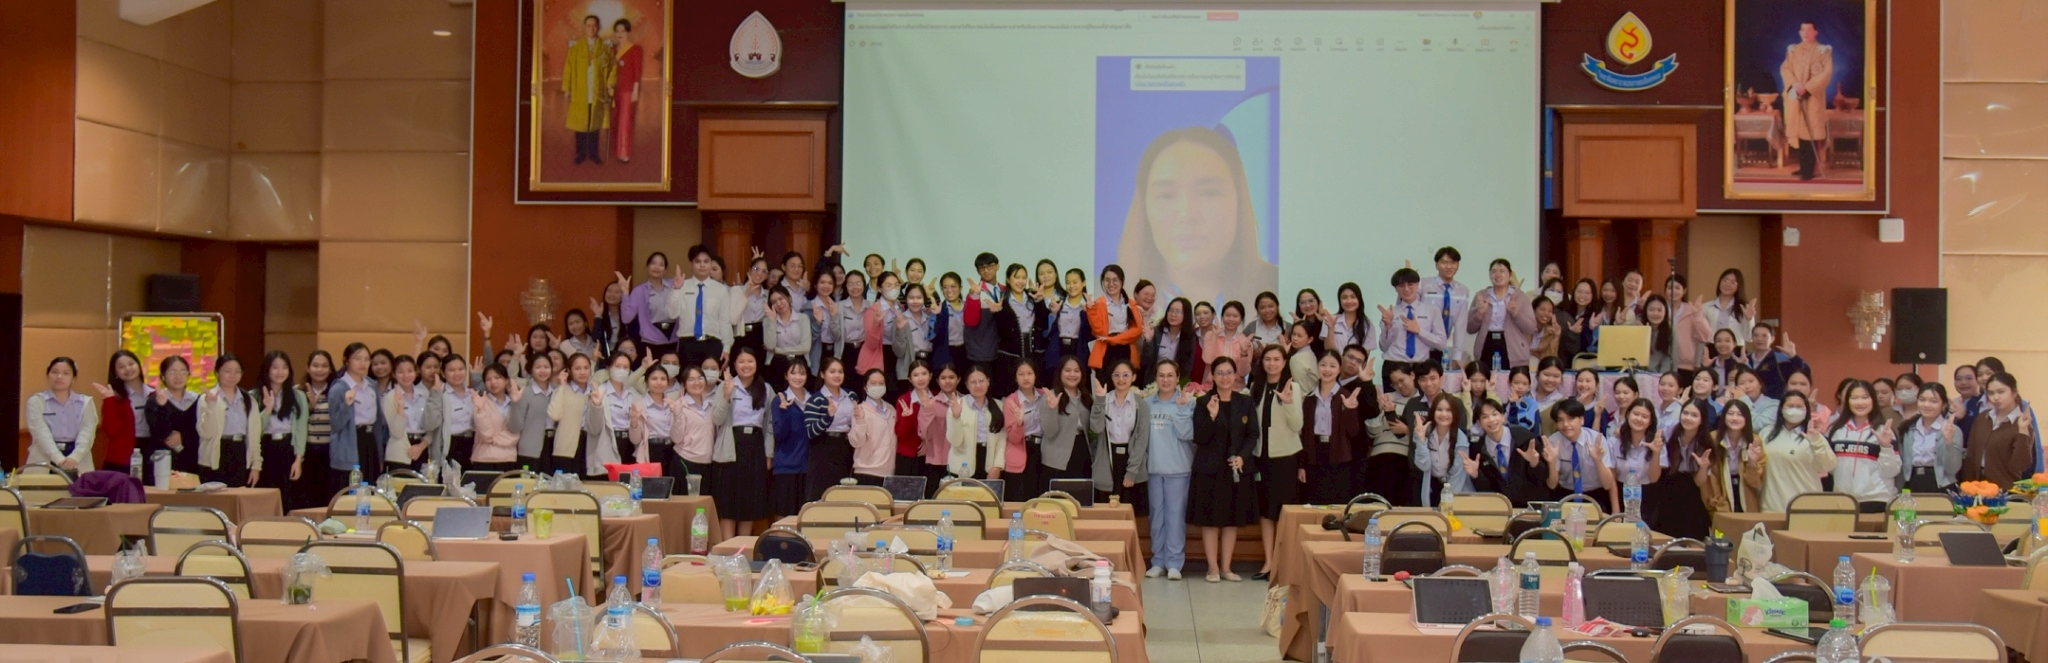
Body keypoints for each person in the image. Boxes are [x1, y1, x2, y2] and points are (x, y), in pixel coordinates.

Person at [1114, 126, 1277, 305]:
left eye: (1209, 193)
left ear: (1239, 203)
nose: (1187, 214)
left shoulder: (1281, 285)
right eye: (1166, 195)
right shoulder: (1108, 299)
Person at [1191, 356, 1260, 582]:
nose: (1225, 377)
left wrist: (1242, 457)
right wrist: (1211, 416)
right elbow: (1199, 437)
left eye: (1228, 372)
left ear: (1235, 374)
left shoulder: (1245, 402)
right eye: (1219, 373)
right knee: (1210, 520)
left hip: (1235, 468)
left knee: (1232, 519)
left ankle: (1226, 567)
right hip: (1209, 468)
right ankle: (1212, 568)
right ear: (1212, 376)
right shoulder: (1203, 402)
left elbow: (1253, 434)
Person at [1248, 344, 1303, 579]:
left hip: (1285, 457)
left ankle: (1284, 563)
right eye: (1267, 359)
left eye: (1276, 359)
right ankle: (1269, 563)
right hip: (1261, 457)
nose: (1271, 364)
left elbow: (1297, 425)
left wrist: (1288, 403)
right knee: (1265, 512)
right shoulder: (1256, 386)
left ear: (1284, 362)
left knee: (1283, 512)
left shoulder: (1293, 387)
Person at [712, 346, 773, 535]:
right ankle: (727, 546)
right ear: (734, 365)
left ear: (757, 363)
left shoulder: (766, 388)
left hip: (755, 446)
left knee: (749, 501)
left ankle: (742, 546)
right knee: (728, 501)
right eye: (741, 361)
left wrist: (769, 453)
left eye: (750, 361)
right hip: (731, 445)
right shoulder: (725, 386)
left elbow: (770, 425)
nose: (746, 365)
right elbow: (717, 419)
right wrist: (726, 396)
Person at [1145, 360, 1197, 580]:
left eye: (1170, 375)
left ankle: (1174, 563)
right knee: (1156, 517)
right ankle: (1158, 561)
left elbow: (1188, 435)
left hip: (1179, 469)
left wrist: (1183, 410)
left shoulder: (1187, 403)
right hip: (1154, 469)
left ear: (1177, 378)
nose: (1165, 380)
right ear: (1156, 378)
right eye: (1161, 375)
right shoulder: (1147, 403)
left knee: (1175, 518)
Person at [1301, 353, 1371, 505]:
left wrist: (1350, 410)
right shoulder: (1309, 399)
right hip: (1314, 455)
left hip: (1339, 455)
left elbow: (1353, 432)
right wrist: (1302, 465)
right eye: (1323, 365)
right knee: (1314, 503)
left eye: (1332, 366)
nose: (1327, 370)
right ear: (1317, 367)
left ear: (1339, 369)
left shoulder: (1346, 396)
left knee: (1336, 503)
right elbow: (1304, 435)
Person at [1747, 392, 1834, 512]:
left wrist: (1816, 442)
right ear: (1781, 409)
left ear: (1806, 410)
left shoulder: (1814, 436)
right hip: (1771, 507)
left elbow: (1829, 465)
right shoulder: (1766, 433)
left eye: (1799, 407)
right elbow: (1758, 469)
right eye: (1790, 406)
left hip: (1806, 508)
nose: (1794, 410)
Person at [1826, 380, 1901, 510]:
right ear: (1847, 401)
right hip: (1843, 500)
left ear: (1873, 400)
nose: (1860, 402)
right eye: (1854, 398)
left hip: (1877, 499)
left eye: (1865, 397)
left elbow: (1891, 472)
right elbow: (1829, 467)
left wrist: (1886, 447)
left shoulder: (1883, 431)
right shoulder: (1835, 430)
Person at [666, 246, 741, 370]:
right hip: (688, 343)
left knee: (711, 379)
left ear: (711, 264)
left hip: (712, 343)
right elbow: (672, 314)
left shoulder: (721, 289)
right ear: (691, 264)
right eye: (697, 261)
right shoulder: (682, 286)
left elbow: (724, 321)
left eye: (706, 261)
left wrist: (727, 348)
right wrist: (676, 289)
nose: (702, 265)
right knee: (688, 378)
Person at [1656, 398, 1721, 539]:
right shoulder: (1670, 431)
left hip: (1691, 493)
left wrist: (1703, 467)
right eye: (1685, 413)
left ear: (1702, 420)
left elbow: (1699, 482)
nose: (1688, 418)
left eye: (1694, 415)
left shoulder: (1706, 442)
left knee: (1692, 537)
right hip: (1666, 487)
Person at [1091, 360, 1150, 511]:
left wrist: (1132, 471)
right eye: (1116, 375)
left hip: (1131, 459)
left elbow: (1142, 440)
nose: (1121, 379)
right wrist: (1099, 400)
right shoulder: (1104, 400)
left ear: (1134, 377)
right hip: (1108, 459)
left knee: (1131, 511)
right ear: (1111, 377)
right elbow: (1096, 428)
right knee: (1106, 510)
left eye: (1126, 375)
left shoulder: (1140, 404)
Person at [1466, 399, 1549, 507]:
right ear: (1479, 422)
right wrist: (1476, 476)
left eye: (1494, 414)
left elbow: (1543, 478)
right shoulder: (1478, 450)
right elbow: (1487, 490)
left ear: (1502, 416)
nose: (1491, 420)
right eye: (1485, 417)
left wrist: (1535, 464)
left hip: (1531, 505)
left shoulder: (1524, 437)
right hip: (1500, 508)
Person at [1780, 20, 1834, 181]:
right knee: (1799, 132)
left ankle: (1809, 170)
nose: (1805, 33)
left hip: (1813, 97)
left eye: (1809, 30)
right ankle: (1803, 166)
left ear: (1816, 32)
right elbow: (1785, 69)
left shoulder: (1823, 51)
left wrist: (1807, 88)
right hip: (1796, 95)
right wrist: (1794, 84)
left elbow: (1826, 73)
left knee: (1810, 133)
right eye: (1803, 30)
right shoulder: (1793, 50)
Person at [1962, 373, 2035, 489]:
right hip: (1976, 486)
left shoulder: (2022, 423)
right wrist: (1966, 486)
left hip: (2005, 488)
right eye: (1991, 393)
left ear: (2014, 392)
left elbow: (2020, 465)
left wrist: (2022, 431)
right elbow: (1971, 455)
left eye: (2001, 392)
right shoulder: (1983, 417)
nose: (1995, 397)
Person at [327, 343, 386, 487]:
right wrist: (346, 406)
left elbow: (378, 421)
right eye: (357, 358)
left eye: (366, 359)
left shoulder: (371, 385)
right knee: (351, 490)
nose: (363, 363)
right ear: (346, 361)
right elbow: (335, 425)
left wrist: (380, 453)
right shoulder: (339, 388)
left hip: (370, 440)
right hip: (351, 442)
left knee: (370, 488)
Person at [250, 352, 308, 495]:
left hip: (288, 448)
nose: (280, 372)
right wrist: (267, 410)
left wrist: (298, 459)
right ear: (267, 369)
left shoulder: (298, 396)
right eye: (275, 367)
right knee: (264, 496)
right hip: (265, 448)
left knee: (288, 496)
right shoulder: (253, 396)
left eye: (284, 367)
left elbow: (301, 430)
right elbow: (253, 431)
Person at [562, 14, 615, 165]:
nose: (591, 28)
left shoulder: (605, 48)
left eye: (594, 25)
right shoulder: (576, 47)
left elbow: (613, 67)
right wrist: (567, 88)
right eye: (589, 25)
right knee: (581, 124)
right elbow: (568, 68)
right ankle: (580, 153)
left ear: (598, 27)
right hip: (580, 91)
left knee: (595, 124)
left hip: (598, 92)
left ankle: (593, 154)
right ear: (584, 27)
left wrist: (610, 84)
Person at [1467, 258, 1538, 371]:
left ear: (1510, 274)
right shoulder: (1481, 296)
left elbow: (1530, 328)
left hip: (1514, 348)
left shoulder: (1520, 296)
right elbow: (1469, 328)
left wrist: (1515, 313)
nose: (1498, 275)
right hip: (1487, 344)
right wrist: (1479, 314)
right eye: (1494, 271)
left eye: (1502, 271)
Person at [803, 357, 858, 500]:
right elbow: (810, 432)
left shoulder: (851, 396)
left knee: (844, 496)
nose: (837, 375)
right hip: (823, 449)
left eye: (840, 371)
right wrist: (828, 416)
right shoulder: (816, 399)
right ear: (822, 374)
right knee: (823, 495)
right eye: (832, 371)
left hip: (847, 448)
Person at [1379, 267, 1447, 384]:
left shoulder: (1432, 310)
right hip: (1393, 365)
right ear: (1396, 288)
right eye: (1401, 285)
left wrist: (1419, 331)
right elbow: (1383, 347)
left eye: (1410, 284)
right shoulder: (1390, 312)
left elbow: (1441, 344)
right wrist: (1388, 327)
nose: (1406, 289)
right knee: (1392, 397)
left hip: (1420, 367)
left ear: (1417, 285)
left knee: (1420, 396)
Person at [27, 357, 95, 472]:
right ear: (48, 375)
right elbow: (40, 433)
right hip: (44, 457)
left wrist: (75, 457)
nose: (59, 376)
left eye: (65, 373)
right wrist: (59, 459)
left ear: (73, 378)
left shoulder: (86, 402)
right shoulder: (36, 401)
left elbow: (87, 432)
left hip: (78, 459)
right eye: (54, 372)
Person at [1894, 381, 1962, 494]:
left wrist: (1948, 442)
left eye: (1933, 401)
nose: (1926, 405)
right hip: (1912, 481)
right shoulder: (1908, 429)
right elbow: (1902, 464)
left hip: (1940, 484)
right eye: (1922, 400)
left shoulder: (1952, 430)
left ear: (1944, 404)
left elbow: (1952, 469)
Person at [379, 355, 444, 473]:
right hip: (399, 452)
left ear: (416, 372)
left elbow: (431, 427)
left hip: (422, 449)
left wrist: (421, 446)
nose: (406, 375)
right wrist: (400, 407)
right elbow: (396, 432)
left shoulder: (425, 394)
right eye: (401, 372)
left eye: (410, 371)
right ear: (394, 374)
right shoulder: (390, 397)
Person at [999, 361, 1051, 501]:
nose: (1026, 378)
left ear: (1035, 375)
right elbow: (1013, 438)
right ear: (1015, 378)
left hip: (1044, 449)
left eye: (1029, 373)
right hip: (1022, 449)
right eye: (1021, 374)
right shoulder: (1011, 401)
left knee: (1042, 497)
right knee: (1021, 498)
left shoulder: (1045, 395)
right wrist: (1019, 423)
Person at [145, 356, 203, 481]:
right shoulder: (154, 400)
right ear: (163, 376)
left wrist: (184, 437)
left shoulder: (198, 400)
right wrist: (162, 406)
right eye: (172, 372)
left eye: (183, 371)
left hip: (191, 461)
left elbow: (201, 431)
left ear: (188, 375)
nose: (178, 376)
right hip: (162, 461)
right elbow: (157, 431)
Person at [1039, 356, 1094, 485]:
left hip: (1082, 452)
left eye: (1076, 371)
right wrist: (1052, 409)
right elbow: (1049, 432)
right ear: (1060, 373)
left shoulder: (1086, 396)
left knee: (1081, 495)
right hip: (1056, 457)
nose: (1072, 374)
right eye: (1067, 370)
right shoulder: (1050, 396)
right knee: (1058, 497)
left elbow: (1092, 429)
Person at [769, 360, 813, 517]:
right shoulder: (780, 399)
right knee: (783, 515)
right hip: (786, 465)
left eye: (802, 373)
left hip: (808, 466)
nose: (798, 377)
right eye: (793, 373)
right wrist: (784, 412)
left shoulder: (813, 400)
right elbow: (779, 434)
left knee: (806, 515)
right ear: (786, 376)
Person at [944, 365, 1005, 479]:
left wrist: (997, 466)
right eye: (973, 382)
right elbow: (955, 442)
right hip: (962, 467)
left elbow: (1002, 440)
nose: (978, 385)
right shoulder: (957, 405)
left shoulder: (999, 406)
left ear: (988, 381)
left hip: (989, 463)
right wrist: (956, 417)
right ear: (967, 385)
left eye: (981, 381)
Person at [1087, 265, 1145, 384]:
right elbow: (1098, 332)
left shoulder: (1130, 303)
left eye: (1115, 280)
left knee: (1127, 387)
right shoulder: (1099, 303)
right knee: (1105, 389)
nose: (1111, 284)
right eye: (1107, 280)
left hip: (1126, 350)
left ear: (1122, 282)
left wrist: (1115, 339)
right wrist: (1091, 311)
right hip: (1106, 351)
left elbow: (1137, 330)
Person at [1543, 399, 1607, 505]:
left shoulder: (1596, 440)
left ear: (1581, 420)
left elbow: (1608, 485)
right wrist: (1552, 462)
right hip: (1565, 493)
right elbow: (1552, 485)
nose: (1565, 424)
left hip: (1595, 494)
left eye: (1571, 419)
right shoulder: (1553, 441)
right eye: (1560, 420)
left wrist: (1598, 460)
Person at [94, 351, 149, 473]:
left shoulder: (154, 394)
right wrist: (109, 401)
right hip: (122, 457)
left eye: (131, 364)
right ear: (116, 373)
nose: (128, 368)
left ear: (138, 365)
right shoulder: (114, 398)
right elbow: (111, 430)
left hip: (151, 452)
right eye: (121, 367)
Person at [1418, 393, 1474, 506]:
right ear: (1433, 411)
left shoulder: (1461, 439)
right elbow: (1423, 465)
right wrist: (1421, 440)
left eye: (1448, 410)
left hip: (1456, 490)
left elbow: (1457, 477)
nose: (1444, 414)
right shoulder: (1424, 432)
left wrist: (1447, 503)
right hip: (1432, 488)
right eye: (1439, 409)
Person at [847, 369, 897, 486]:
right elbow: (856, 442)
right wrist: (860, 420)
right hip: (866, 471)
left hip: (889, 472)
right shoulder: (860, 410)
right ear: (865, 386)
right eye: (873, 383)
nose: (877, 386)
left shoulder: (891, 409)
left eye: (881, 383)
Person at [1423, 247, 1472, 364]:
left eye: (1453, 263)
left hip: (1440, 348)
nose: (1449, 266)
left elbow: (1460, 325)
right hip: (1421, 346)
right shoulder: (1423, 285)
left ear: (1458, 265)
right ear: (1436, 265)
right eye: (1444, 262)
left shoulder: (1462, 291)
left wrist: (1456, 356)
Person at [470, 364, 521, 473]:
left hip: (509, 458)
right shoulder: (480, 402)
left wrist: (494, 439)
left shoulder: (514, 402)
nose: (493, 382)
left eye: (497, 377)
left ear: (506, 380)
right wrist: (480, 410)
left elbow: (516, 434)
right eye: (488, 379)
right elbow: (486, 435)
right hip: (484, 459)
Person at [1141, 297, 1199, 391]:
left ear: (1186, 315)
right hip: (1152, 384)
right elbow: (1145, 362)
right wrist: (1149, 341)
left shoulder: (1190, 338)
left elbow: (1187, 368)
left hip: (1175, 386)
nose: (1173, 314)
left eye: (1178, 311)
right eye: (1170, 310)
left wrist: (1179, 388)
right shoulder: (1156, 332)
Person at [1715, 400, 1762, 512]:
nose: (1734, 418)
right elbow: (1711, 481)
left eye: (1740, 414)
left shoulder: (1754, 440)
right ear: (1723, 416)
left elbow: (1755, 483)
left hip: (1746, 496)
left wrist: (1752, 462)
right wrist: (1719, 505)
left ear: (1747, 418)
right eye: (1730, 414)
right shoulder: (1713, 439)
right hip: (1720, 497)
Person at [1199, 301, 1255, 389]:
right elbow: (1208, 360)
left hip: (1235, 390)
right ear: (1222, 317)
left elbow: (1243, 373)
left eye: (1235, 316)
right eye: (1227, 315)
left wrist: (1244, 353)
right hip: (1211, 388)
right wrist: (1214, 336)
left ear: (1241, 319)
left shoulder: (1246, 342)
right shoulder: (1210, 335)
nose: (1231, 319)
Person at [609, 18, 641, 163]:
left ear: (628, 32)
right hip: (615, 89)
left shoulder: (635, 49)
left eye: (623, 31)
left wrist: (635, 91)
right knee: (615, 120)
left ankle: (624, 152)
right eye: (617, 31)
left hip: (628, 90)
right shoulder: (613, 50)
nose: (620, 34)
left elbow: (637, 71)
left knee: (624, 121)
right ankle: (616, 150)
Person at [1557, 278, 1601, 359]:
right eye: (1579, 291)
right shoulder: (1564, 310)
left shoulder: (1594, 316)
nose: (1582, 295)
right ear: (1574, 292)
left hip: (1581, 360)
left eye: (1587, 293)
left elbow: (1587, 346)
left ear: (1593, 295)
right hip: (1562, 357)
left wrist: (1590, 328)